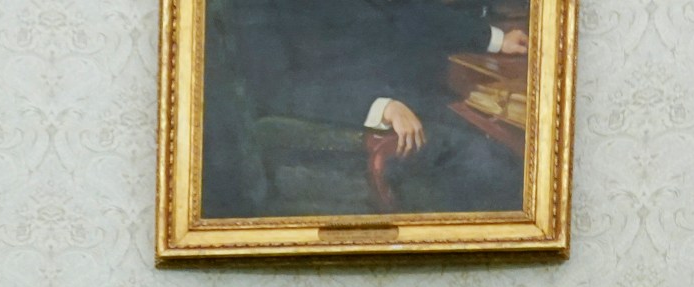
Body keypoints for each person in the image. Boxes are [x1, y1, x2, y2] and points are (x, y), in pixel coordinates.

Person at [208, 0, 527, 217]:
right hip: (351, 129)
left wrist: (494, 39)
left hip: (420, 102)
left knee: (512, 142)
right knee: (500, 169)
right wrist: (380, 107)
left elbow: (411, 9)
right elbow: (274, 88)